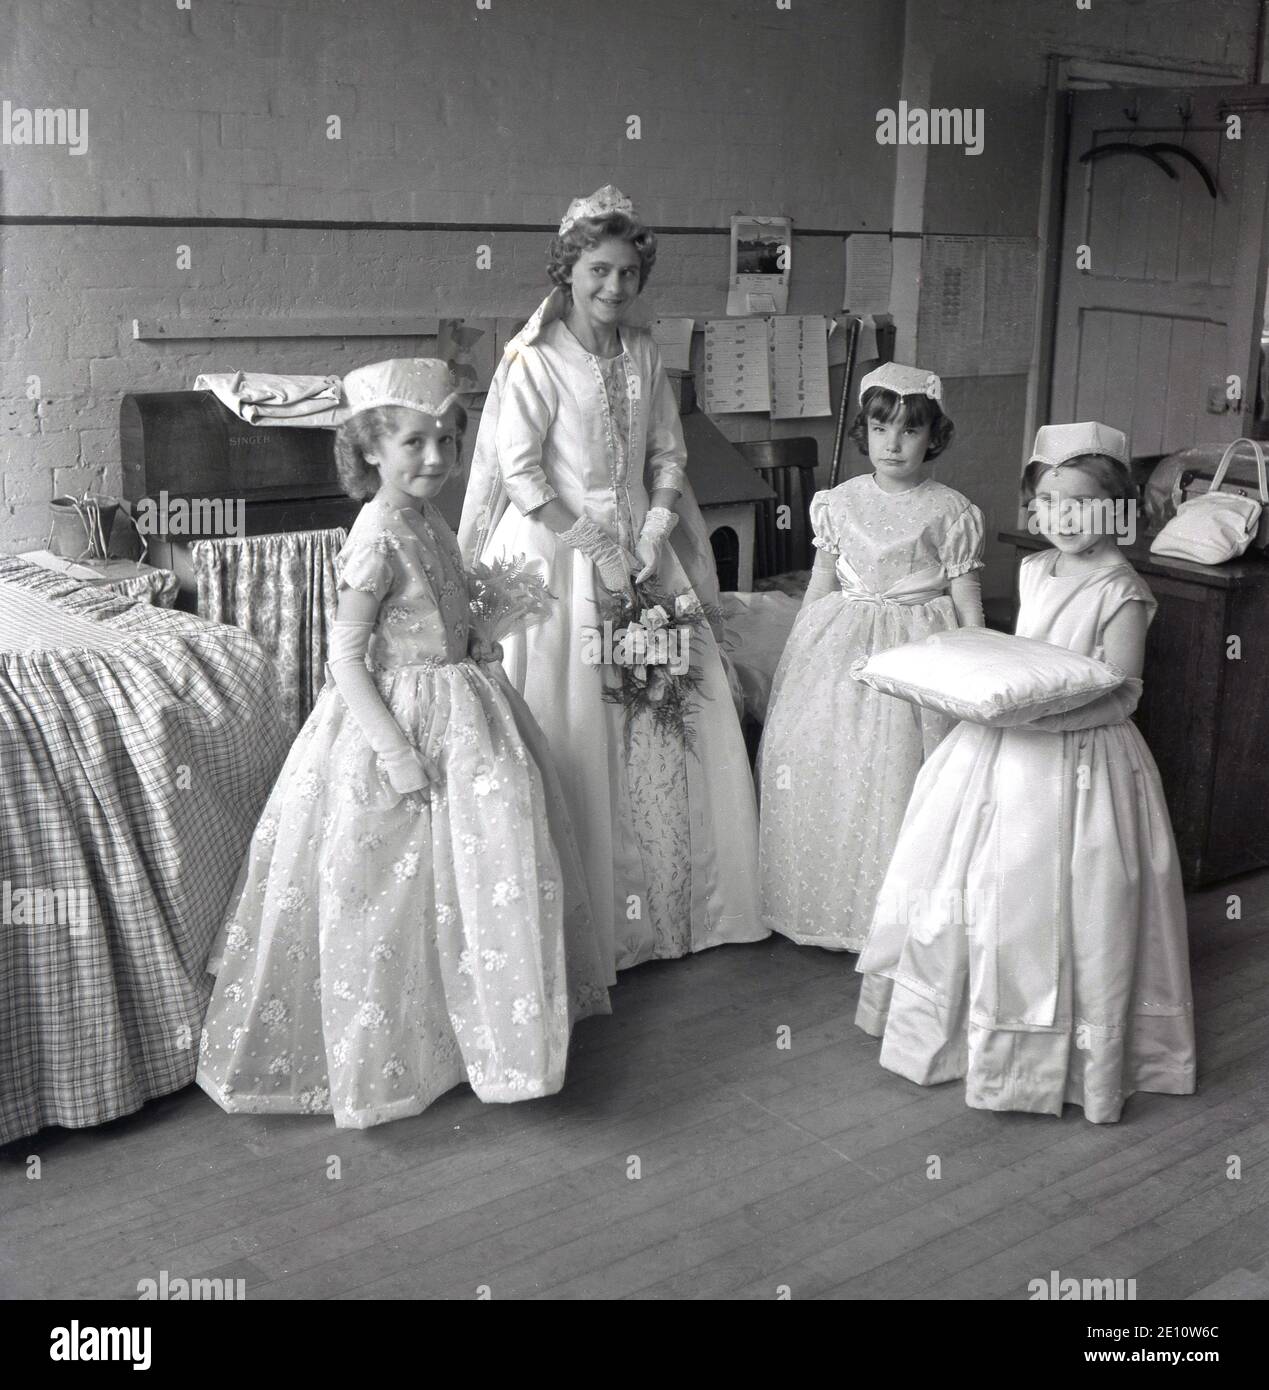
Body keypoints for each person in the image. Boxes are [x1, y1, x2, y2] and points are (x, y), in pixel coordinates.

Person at [197, 359, 610, 1129]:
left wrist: (483, 636)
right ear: (368, 453)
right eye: (413, 443)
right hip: (398, 720)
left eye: (447, 442)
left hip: (464, 705)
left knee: (474, 870)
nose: (434, 459)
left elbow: (438, 614)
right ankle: (393, 1047)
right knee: (385, 886)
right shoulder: (377, 535)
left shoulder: (428, 521)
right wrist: (394, 751)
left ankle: (468, 1035)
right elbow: (346, 660)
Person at [459, 185, 765, 971]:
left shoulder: (644, 353)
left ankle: (681, 912)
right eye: (598, 270)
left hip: (643, 547)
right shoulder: (533, 360)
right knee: (575, 722)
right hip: (557, 554)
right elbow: (521, 475)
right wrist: (593, 542)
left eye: (628, 272)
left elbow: (667, 452)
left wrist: (659, 519)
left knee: (671, 711)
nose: (614, 287)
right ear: (568, 270)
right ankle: (587, 928)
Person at [855, 422, 1195, 1123]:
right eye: (1048, 501)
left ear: (1115, 507)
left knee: (1064, 893)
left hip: (1080, 755)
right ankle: (958, 1023)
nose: (1063, 517)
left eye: (1082, 501)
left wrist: (1041, 720)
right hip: (1002, 742)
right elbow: (1020, 657)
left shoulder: (1120, 589)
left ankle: (1062, 1053)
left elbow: (1123, 689)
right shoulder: (1034, 568)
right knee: (966, 874)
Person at [758, 363, 985, 951]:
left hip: (919, 646)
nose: (893, 443)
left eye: (909, 431)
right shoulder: (838, 502)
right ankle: (823, 902)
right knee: (828, 759)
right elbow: (821, 581)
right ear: (865, 431)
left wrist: (978, 661)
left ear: (932, 437)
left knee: (899, 771)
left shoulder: (950, 509)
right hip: (844, 640)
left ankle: (891, 917)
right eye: (881, 428)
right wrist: (801, 648)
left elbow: (964, 594)